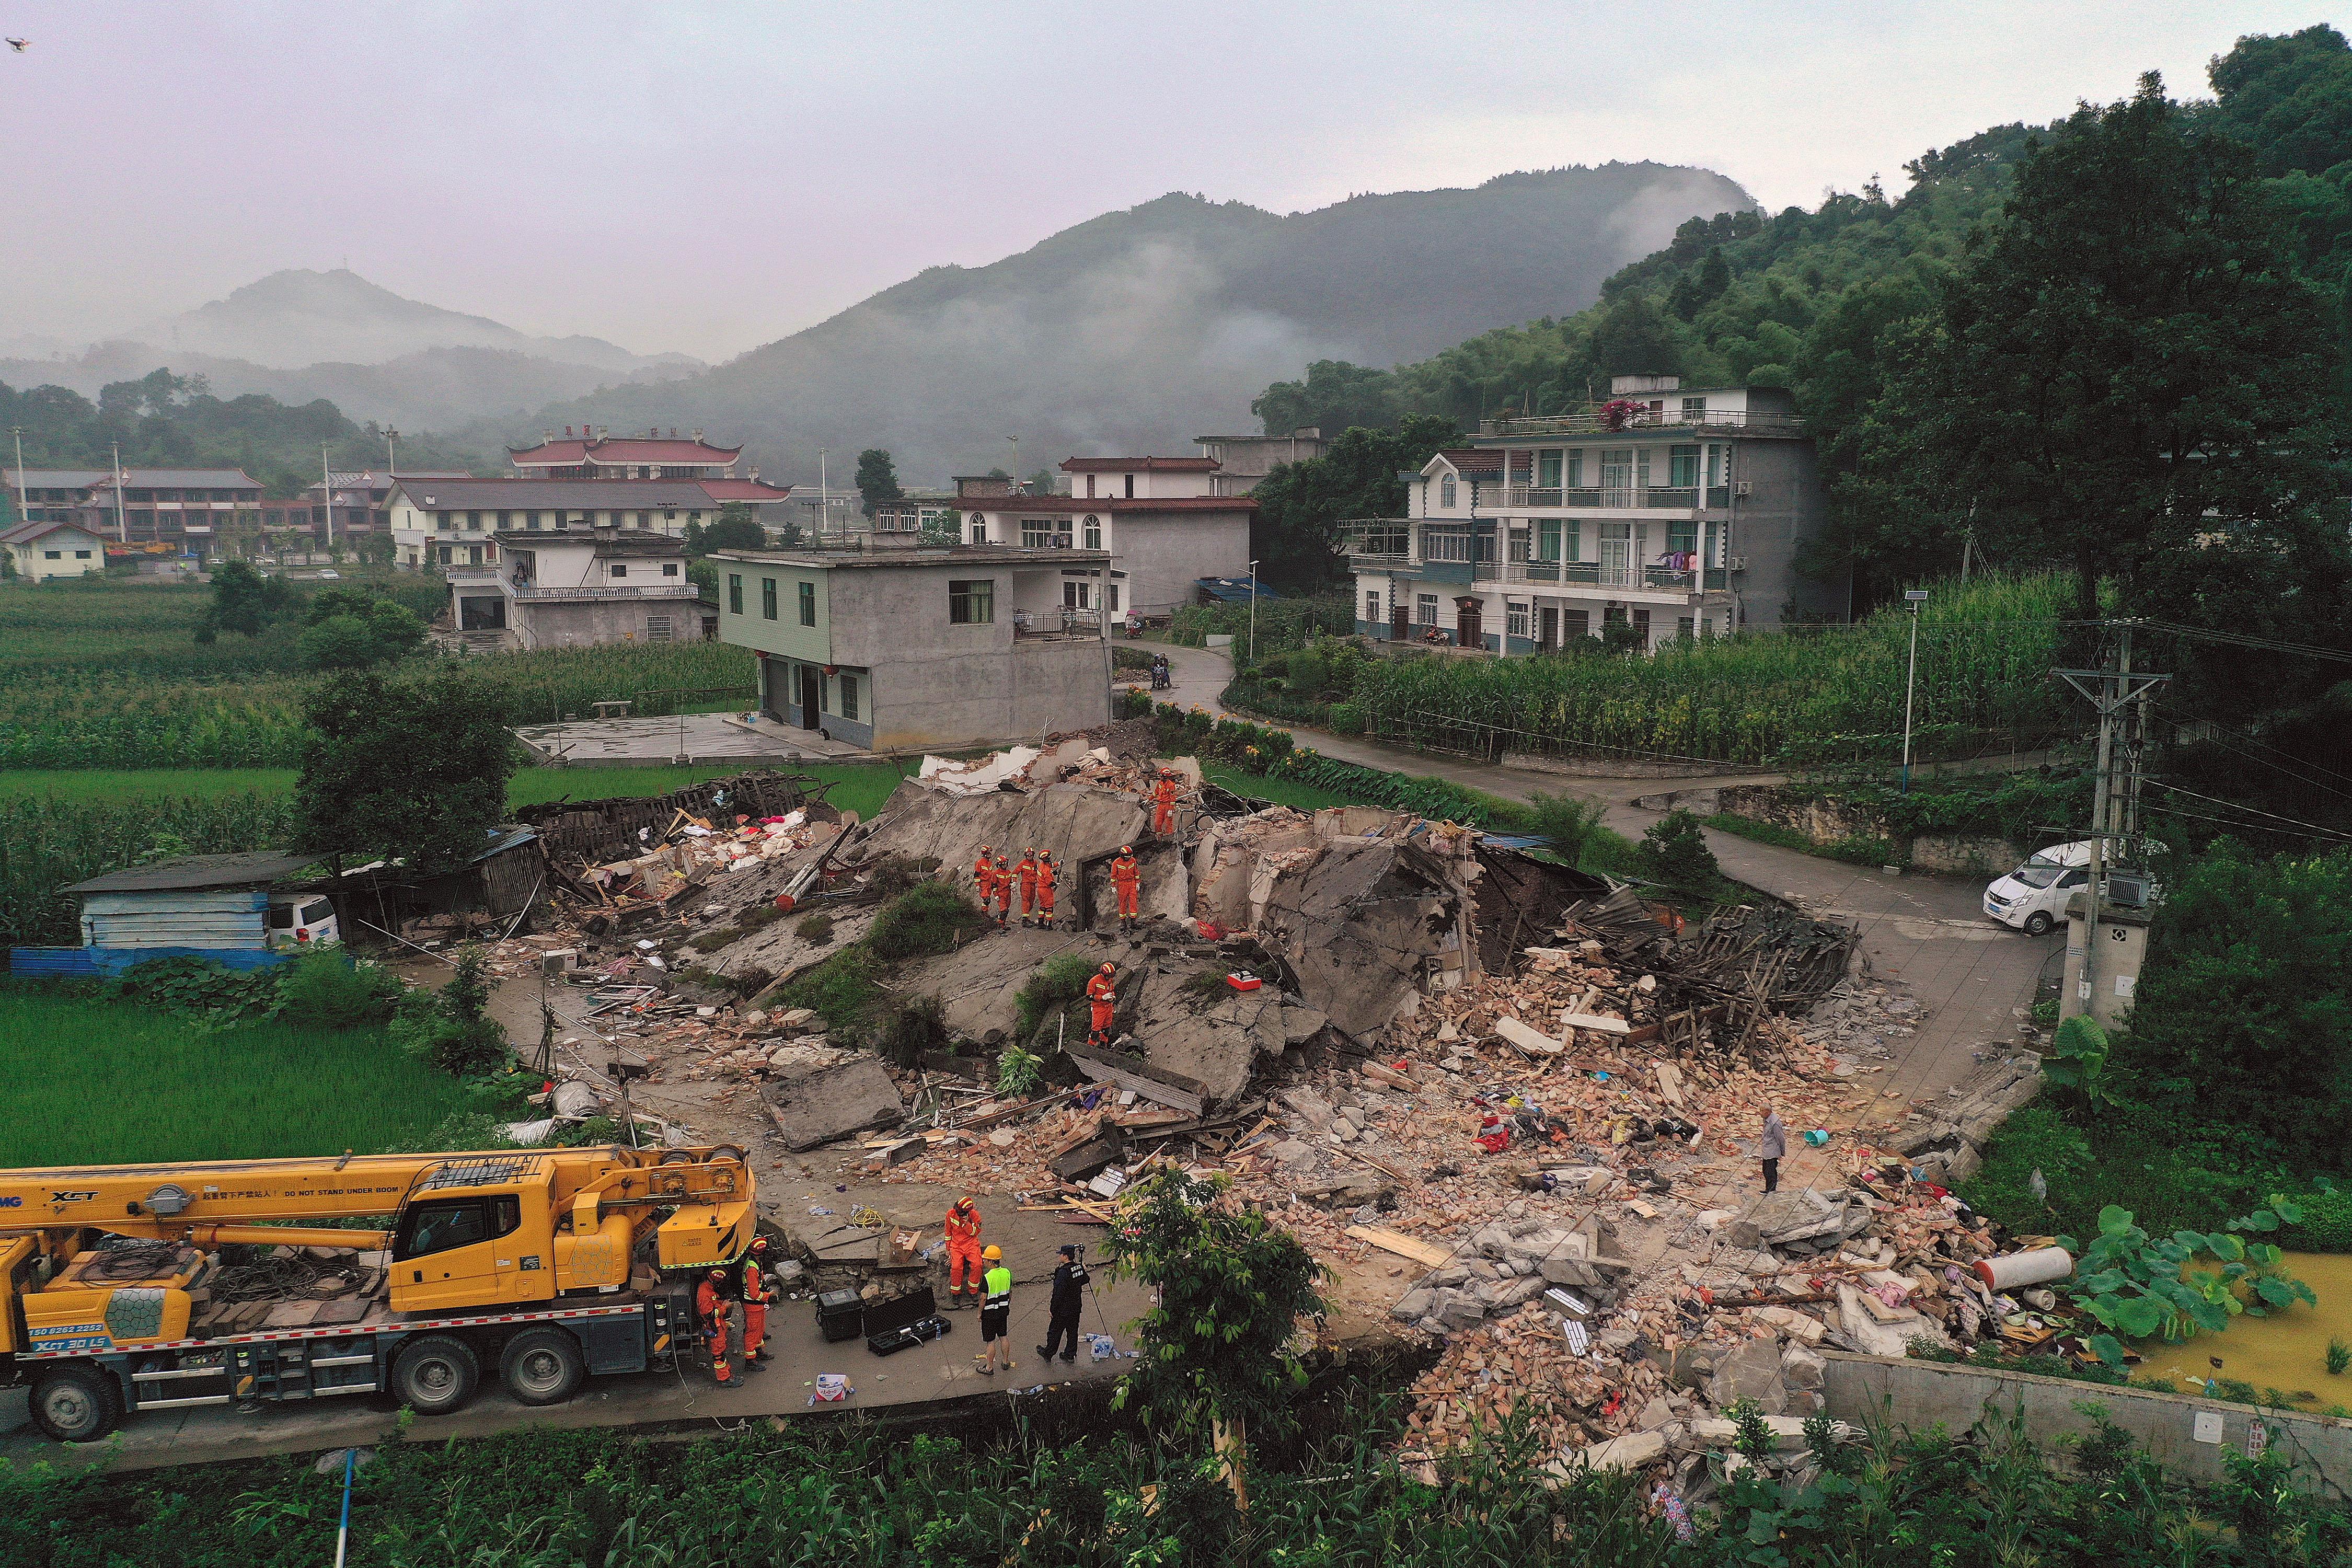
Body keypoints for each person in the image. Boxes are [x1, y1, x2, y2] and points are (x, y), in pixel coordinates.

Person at [1037, 1242, 1087, 1365]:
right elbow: (1086, 1280)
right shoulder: (1078, 1268)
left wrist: (1052, 1310)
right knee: (1072, 1332)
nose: (1060, 1257)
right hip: (1075, 1308)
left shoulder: (1063, 1273)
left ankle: (1048, 1354)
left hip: (1063, 1310)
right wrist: (1083, 1270)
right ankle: (1070, 1355)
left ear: (1065, 1257)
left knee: (1055, 1332)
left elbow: (1057, 1294)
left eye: (1061, 1255)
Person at [977, 1243, 1015, 1375]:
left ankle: (989, 1368)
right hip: (1003, 1311)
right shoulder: (1007, 1273)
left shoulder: (987, 1278)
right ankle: (1005, 1362)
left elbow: (983, 1298)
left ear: (991, 1261)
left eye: (985, 1259)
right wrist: (1006, 1304)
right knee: (1003, 1336)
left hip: (990, 1313)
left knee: (990, 1341)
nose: (984, 1261)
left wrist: (979, 1313)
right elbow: (1010, 1292)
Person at [694, 1266, 736, 1385]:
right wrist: (724, 1307)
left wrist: (721, 1303)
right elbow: (708, 1314)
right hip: (714, 1327)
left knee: (722, 1353)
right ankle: (725, 1379)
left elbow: (713, 1305)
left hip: (718, 1326)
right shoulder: (705, 1293)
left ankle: (727, 1375)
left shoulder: (707, 1288)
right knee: (719, 1356)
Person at [738, 1236, 775, 1365]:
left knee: (759, 1330)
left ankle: (758, 1351)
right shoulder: (752, 1269)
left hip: (757, 1306)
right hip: (753, 1305)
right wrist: (767, 1296)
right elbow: (754, 1294)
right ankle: (750, 1361)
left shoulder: (756, 1263)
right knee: (752, 1332)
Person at [944, 1195, 985, 1307]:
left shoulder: (975, 1216)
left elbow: (974, 1233)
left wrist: (967, 1224)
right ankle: (956, 1293)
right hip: (956, 1245)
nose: (957, 1212)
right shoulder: (950, 1214)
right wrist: (948, 1250)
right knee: (956, 1267)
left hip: (971, 1244)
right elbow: (948, 1233)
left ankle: (973, 1291)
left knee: (977, 1265)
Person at [1086, 961, 1119, 1046]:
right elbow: (1089, 996)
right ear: (1103, 974)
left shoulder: (1110, 980)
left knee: (1107, 1029)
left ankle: (1104, 1045)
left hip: (1108, 1008)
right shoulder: (1094, 981)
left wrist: (1113, 996)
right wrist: (1102, 997)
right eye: (1108, 976)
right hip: (1098, 1008)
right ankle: (1091, 1047)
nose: (1109, 978)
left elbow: (1111, 990)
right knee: (1096, 1031)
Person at [1110, 844, 1141, 929]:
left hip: (1132, 883)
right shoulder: (1116, 863)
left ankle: (1133, 921)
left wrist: (1138, 882)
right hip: (1122, 884)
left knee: (1133, 902)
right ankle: (1123, 922)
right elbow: (1113, 876)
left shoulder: (1133, 860)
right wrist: (1113, 886)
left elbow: (1136, 872)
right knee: (1123, 902)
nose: (1129, 858)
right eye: (1127, 857)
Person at [1759, 1101, 1786, 1193]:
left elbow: (1780, 1138)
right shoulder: (1767, 1118)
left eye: (1762, 1111)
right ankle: (1769, 1189)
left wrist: (1782, 1151)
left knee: (1770, 1171)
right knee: (1766, 1170)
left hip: (1772, 1150)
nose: (1760, 1113)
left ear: (1768, 1111)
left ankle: (1771, 1190)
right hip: (1767, 1149)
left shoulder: (1775, 1123)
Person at [1149, 771, 1181, 838]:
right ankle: (1160, 838)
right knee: (1157, 824)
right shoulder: (1160, 783)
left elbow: (1173, 799)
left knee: (1168, 824)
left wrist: (1171, 810)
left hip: (1168, 806)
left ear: (1165, 777)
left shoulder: (1171, 785)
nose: (1160, 778)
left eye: (1162, 776)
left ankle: (1169, 839)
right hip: (1160, 806)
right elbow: (1156, 793)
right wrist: (1149, 799)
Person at [1017, 849, 1040, 927]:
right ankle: (1025, 920)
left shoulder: (1035, 863)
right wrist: (1014, 882)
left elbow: (1039, 872)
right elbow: (1015, 872)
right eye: (1028, 854)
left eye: (1031, 854)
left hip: (1033, 885)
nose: (1030, 856)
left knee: (1031, 903)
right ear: (1026, 855)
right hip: (1025, 885)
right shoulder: (1023, 864)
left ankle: (1027, 918)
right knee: (1026, 902)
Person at [1034, 851, 1058, 929]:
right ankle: (1048, 925)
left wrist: (1058, 864)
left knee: (1043, 907)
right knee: (1049, 908)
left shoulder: (1041, 866)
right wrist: (1056, 884)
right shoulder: (1046, 870)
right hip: (1046, 890)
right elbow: (1049, 882)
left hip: (1040, 889)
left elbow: (1050, 866)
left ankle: (1040, 923)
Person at [992, 852, 1014, 928]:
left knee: (1006, 911)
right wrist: (995, 895)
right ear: (1000, 865)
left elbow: (1010, 883)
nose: (1005, 865)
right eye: (1004, 864)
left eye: (1006, 863)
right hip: (1001, 894)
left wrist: (1013, 886)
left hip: (1008, 894)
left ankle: (1003, 925)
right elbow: (994, 885)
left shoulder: (1009, 873)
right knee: (1003, 911)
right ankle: (1000, 925)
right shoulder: (996, 874)